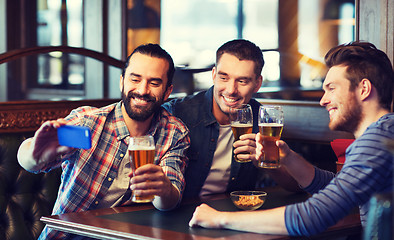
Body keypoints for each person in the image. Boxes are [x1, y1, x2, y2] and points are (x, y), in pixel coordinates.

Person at [189, 41, 394, 236]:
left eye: (332, 88)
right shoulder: (385, 133)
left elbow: (311, 217)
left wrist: (220, 219)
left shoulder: (375, 142)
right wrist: (288, 157)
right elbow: (336, 186)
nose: (323, 100)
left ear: (364, 89)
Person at [17, 43, 190, 239]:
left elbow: (170, 201)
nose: (142, 90)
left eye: (154, 83)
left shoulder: (174, 132)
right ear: (122, 82)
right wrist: (34, 154)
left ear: (168, 92)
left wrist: (164, 188)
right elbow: (28, 161)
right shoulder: (88, 122)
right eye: (135, 79)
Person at [163, 39, 299, 198]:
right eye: (224, 78)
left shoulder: (262, 119)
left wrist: (265, 161)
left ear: (257, 84)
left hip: (235, 213)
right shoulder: (177, 113)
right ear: (213, 75)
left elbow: (296, 184)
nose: (231, 90)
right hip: (181, 212)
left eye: (242, 81)